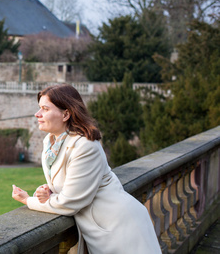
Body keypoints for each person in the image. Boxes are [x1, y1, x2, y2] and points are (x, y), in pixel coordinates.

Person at [12, 84, 161, 254]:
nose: (37, 114)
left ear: (66, 114)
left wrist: (28, 200)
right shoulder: (50, 142)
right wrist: (50, 192)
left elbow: (70, 203)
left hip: (120, 228)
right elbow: (70, 183)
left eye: (45, 109)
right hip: (99, 229)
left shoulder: (85, 145)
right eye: (39, 108)